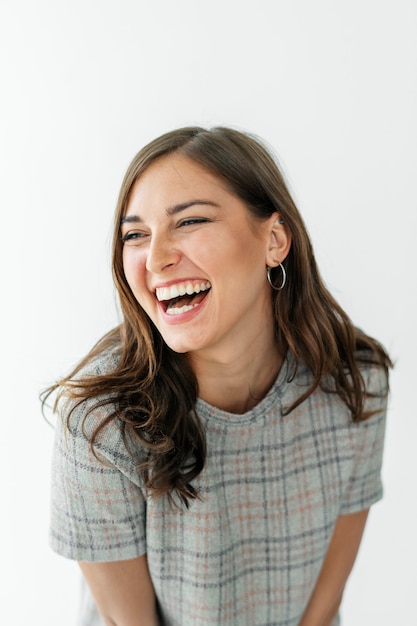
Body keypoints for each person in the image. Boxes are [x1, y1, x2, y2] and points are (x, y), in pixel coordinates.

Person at [46, 126, 391, 626]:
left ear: (274, 240)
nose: (156, 257)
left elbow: (321, 611)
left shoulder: (354, 383)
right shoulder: (99, 425)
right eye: (135, 234)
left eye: (189, 221)